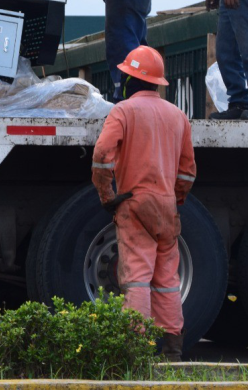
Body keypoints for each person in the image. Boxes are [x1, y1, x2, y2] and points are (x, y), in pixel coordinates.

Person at [90, 45, 197, 361]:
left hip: (134, 203)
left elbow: (101, 156)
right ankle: (173, 348)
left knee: (137, 277)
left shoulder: (123, 111)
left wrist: (107, 196)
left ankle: (136, 348)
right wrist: (175, 200)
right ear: (156, 82)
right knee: (166, 281)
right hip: (166, 207)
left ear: (129, 80)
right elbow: (188, 170)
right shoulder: (177, 115)